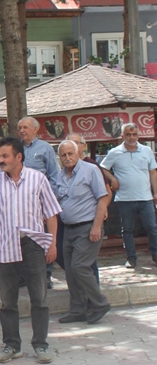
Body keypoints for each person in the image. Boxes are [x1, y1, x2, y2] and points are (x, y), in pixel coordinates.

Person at [0, 137, 60, 364]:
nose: (1, 161)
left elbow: (51, 214)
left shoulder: (38, 179)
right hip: (5, 245)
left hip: (34, 245)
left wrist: (52, 244)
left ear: (19, 157)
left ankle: (41, 345)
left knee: (39, 298)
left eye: (5, 156)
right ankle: (11, 345)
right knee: (8, 301)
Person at [55, 140, 111, 325]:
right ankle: (78, 310)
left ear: (78, 152)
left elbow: (102, 199)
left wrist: (96, 227)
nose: (67, 158)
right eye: (64, 155)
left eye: (71, 153)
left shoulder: (90, 170)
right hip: (68, 229)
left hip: (87, 227)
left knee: (80, 266)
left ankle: (100, 303)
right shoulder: (59, 176)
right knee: (71, 271)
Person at [99, 123, 157, 268]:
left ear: (138, 135)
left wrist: (156, 192)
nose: (132, 137)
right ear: (123, 136)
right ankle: (131, 258)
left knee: (152, 227)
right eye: (128, 135)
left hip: (146, 197)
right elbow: (102, 168)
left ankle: (155, 255)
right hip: (125, 198)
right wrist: (112, 179)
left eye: (135, 134)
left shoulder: (147, 151)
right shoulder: (115, 152)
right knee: (127, 230)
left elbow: (153, 172)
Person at [18, 116, 60, 288]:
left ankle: (46, 274)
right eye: (20, 128)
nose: (22, 131)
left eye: (25, 127)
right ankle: (23, 275)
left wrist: (48, 204)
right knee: (21, 237)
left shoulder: (45, 148)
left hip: (40, 201)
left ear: (36, 129)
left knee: (42, 238)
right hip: (19, 202)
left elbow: (54, 176)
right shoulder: (16, 148)